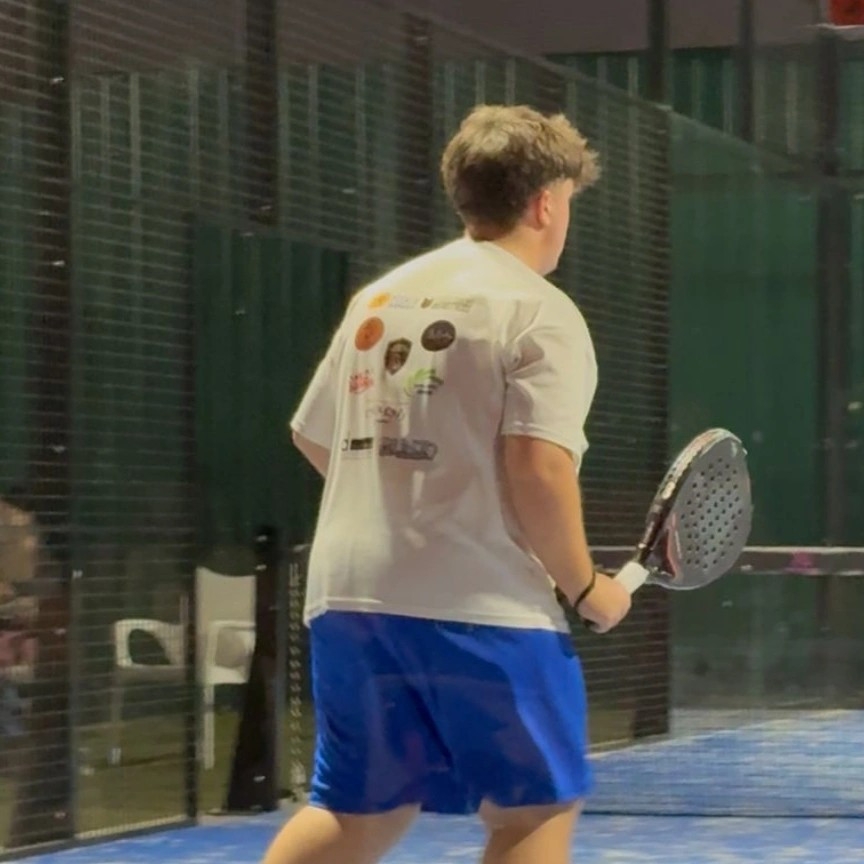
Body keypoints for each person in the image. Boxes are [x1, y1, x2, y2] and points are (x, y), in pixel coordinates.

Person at [262, 104, 633, 864]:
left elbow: (314, 436)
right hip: (481, 608)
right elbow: (538, 470)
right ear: (546, 204)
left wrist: (411, 504)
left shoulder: (379, 296)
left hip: (347, 599)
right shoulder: (540, 312)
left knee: (359, 809)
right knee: (533, 810)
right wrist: (586, 587)